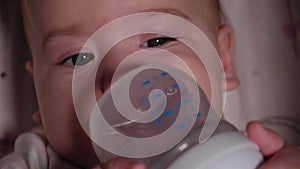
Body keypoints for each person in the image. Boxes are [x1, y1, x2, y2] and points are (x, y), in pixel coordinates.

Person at [1, 0, 300, 168]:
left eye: (157, 41)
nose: (119, 78)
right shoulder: (35, 161)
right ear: (39, 95)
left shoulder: (255, 155)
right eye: (77, 59)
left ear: (221, 60)